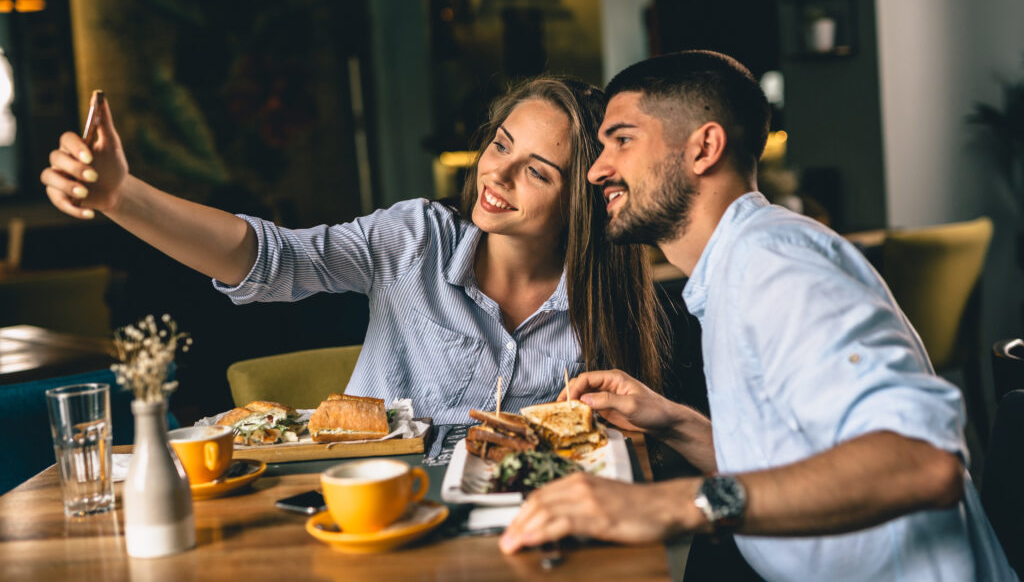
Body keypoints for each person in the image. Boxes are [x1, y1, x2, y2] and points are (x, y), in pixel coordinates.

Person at [499, 51, 1016, 581]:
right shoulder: (734, 267)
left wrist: (670, 505)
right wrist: (674, 421)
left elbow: (923, 462)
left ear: (705, 147)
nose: (597, 169)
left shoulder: (774, 267)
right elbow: (798, 471)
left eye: (623, 140)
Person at [40, 77, 668, 424]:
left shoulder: (599, 298)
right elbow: (270, 259)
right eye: (500, 146)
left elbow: (618, 447)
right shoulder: (414, 238)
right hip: (367, 523)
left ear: (578, 204)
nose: (496, 176)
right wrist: (122, 196)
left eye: (537, 172)